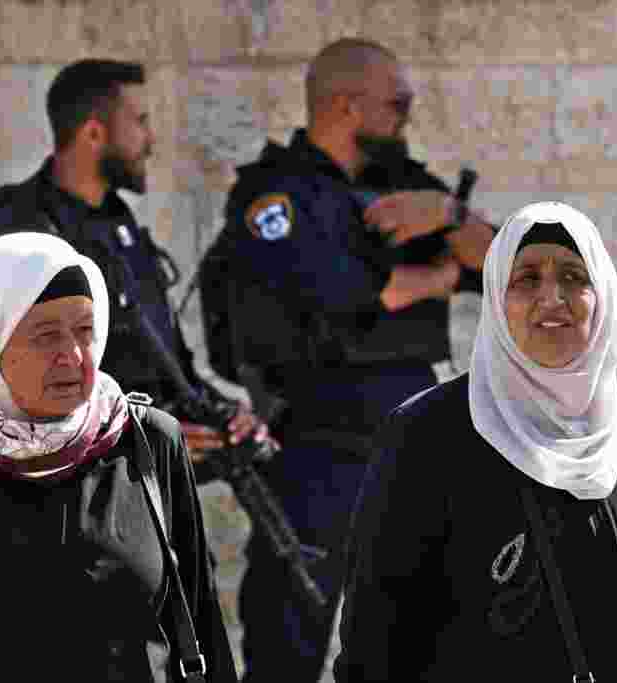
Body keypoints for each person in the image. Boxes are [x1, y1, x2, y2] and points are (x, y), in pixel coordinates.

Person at [335, 201, 617, 682]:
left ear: (604, 294)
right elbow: (376, 644)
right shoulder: (425, 433)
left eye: (574, 276)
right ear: (495, 299)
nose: (553, 296)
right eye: (526, 279)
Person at [208, 38, 496, 682]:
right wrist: (432, 279)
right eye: (396, 104)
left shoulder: (404, 186)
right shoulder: (279, 198)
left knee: (417, 643)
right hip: (316, 450)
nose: (407, 118)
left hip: (411, 449)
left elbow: (509, 261)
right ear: (345, 105)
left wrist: (448, 213)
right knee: (290, 640)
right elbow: (348, 306)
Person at [0, 232, 237, 682]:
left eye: (84, 330)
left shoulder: (148, 442)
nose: (73, 355)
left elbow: (200, 620)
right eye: (45, 335)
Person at [0, 58, 270, 467]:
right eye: (140, 121)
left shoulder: (118, 224)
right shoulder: (23, 227)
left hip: (142, 478)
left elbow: (166, 364)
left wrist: (229, 416)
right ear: (94, 132)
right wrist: (129, 432)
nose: (150, 141)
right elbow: (10, 384)